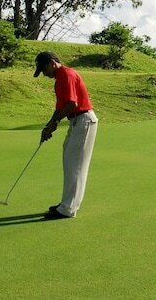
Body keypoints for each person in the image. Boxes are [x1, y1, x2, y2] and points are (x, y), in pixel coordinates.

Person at [34, 51, 98, 219]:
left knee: (75, 165)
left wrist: (54, 123)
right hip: (76, 121)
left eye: (44, 69)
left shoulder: (67, 75)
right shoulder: (58, 80)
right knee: (70, 162)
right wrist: (49, 125)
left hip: (84, 120)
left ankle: (68, 209)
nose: (44, 74)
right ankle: (66, 204)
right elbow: (60, 108)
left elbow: (72, 103)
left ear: (52, 63)